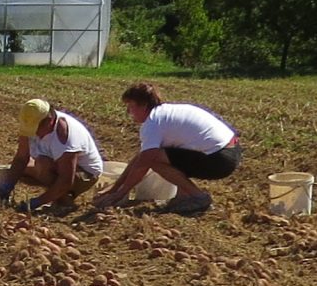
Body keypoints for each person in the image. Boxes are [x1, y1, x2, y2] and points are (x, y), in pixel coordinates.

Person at [95, 81, 241, 216]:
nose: (128, 112)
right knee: (159, 156)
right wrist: (115, 188)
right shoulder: (166, 113)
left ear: (144, 105)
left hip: (219, 159)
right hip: (230, 151)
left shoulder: (153, 122)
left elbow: (144, 163)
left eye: (131, 106)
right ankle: (183, 197)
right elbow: (141, 157)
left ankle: (197, 197)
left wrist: (119, 194)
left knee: (154, 160)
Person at [6, 96, 105, 210]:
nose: (35, 133)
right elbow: (21, 159)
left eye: (36, 129)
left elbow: (66, 180)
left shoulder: (65, 137)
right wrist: (7, 186)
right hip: (55, 164)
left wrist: (36, 202)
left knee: (43, 164)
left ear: (49, 121)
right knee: (20, 169)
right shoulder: (29, 124)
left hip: (84, 174)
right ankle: (55, 193)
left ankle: (63, 200)